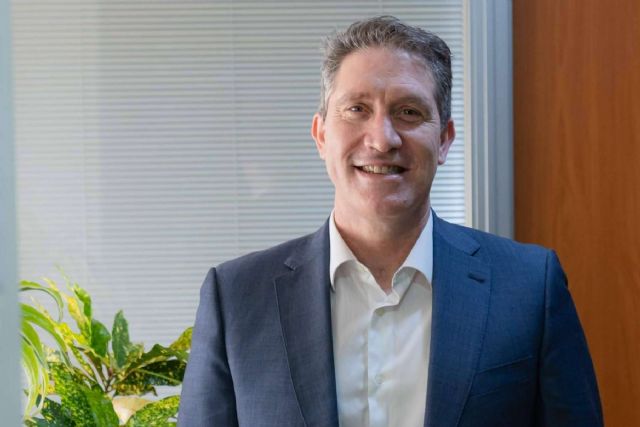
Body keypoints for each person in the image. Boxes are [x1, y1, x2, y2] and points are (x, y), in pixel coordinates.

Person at [178, 16, 602, 427]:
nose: (382, 140)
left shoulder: (529, 288)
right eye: (357, 109)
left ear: (444, 139)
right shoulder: (236, 298)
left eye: (409, 112)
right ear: (321, 135)